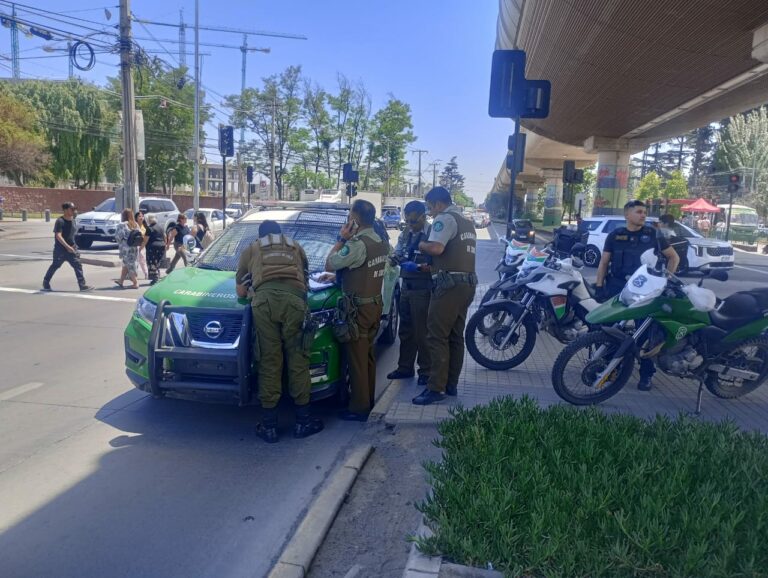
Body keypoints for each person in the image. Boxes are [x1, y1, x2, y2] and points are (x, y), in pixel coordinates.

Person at [236, 220, 323, 443]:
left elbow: (241, 289)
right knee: (298, 359)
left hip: (263, 303)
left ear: (260, 236)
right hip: (294, 302)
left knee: (269, 360)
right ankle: (303, 422)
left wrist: (253, 292)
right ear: (280, 234)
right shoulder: (296, 246)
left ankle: (269, 426)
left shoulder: (252, 248)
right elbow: (305, 277)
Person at [595, 200, 680, 391]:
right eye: (639, 212)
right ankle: (608, 368)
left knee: (647, 333)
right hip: (618, 288)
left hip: (646, 291)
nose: (643, 215)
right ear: (627, 215)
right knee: (609, 330)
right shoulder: (615, 235)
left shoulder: (653, 235)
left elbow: (673, 257)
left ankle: (646, 374)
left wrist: (666, 279)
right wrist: (599, 286)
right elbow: (603, 263)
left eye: (645, 212)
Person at [412, 186, 477, 405]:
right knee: (455, 336)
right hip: (466, 284)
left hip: (448, 286)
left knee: (437, 335)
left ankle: (435, 388)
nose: (430, 213)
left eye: (430, 208)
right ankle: (451, 384)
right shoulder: (467, 222)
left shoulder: (445, 219)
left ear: (439, 204)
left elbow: (437, 248)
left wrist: (421, 244)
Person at [325, 199, 388, 421]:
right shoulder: (380, 240)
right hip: (374, 305)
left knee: (357, 360)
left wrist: (342, 238)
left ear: (355, 219)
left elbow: (330, 263)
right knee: (367, 356)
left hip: (358, 310)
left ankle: (359, 408)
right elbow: (364, 269)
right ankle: (367, 399)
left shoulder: (357, 244)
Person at [386, 200, 432, 386]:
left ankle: (426, 372)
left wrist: (419, 267)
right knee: (405, 331)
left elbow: (436, 264)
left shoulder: (432, 234)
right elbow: (397, 252)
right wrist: (394, 259)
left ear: (423, 216)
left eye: (413, 221)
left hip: (423, 289)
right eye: (408, 221)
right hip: (406, 286)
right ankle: (405, 368)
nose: (410, 225)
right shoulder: (406, 233)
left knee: (422, 333)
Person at [42, 201, 93, 292]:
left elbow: (72, 235)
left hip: (72, 249)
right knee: (55, 266)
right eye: (72, 209)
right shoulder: (60, 221)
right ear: (65, 210)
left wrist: (73, 246)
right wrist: (67, 247)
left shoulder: (73, 220)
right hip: (60, 250)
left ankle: (82, 285)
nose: (74, 211)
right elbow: (58, 235)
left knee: (78, 266)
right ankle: (46, 282)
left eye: (75, 209)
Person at [113, 208, 140, 289]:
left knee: (129, 265)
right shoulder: (135, 224)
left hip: (126, 248)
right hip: (134, 247)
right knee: (126, 264)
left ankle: (135, 283)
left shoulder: (122, 225)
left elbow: (118, 237)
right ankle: (121, 281)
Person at [144, 214, 167, 285]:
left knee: (152, 263)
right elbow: (165, 236)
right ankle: (157, 276)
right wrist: (165, 244)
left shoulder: (149, 228)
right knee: (157, 262)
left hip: (152, 247)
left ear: (149, 220)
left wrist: (141, 247)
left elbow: (146, 240)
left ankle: (155, 278)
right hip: (161, 246)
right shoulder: (160, 227)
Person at [135, 211, 149, 279]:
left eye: (142, 216)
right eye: (139, 216)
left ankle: (146, 273)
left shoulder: (145, 226)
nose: (141, 217)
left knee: (143, 260)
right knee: (135, 260)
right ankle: (134, 274)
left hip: (142, 245)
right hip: (135, 245)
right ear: (136, 218)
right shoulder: (134, 225)